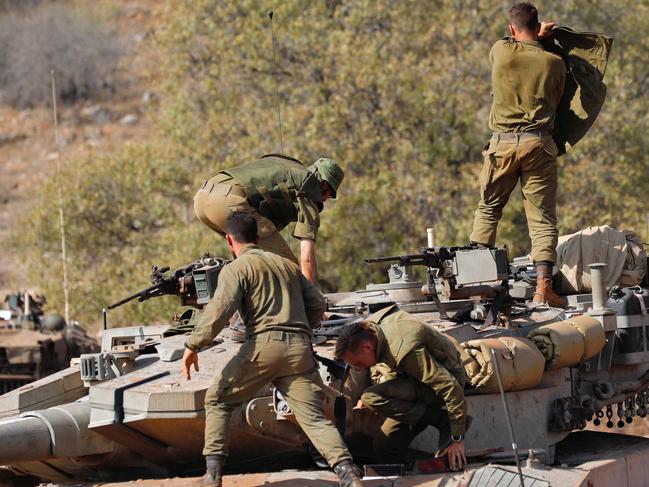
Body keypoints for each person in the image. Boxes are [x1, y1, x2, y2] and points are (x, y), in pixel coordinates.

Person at [181, 211, 362, 487]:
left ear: (229, 240)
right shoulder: (287, 265)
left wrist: (193, 344)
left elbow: (219, 311)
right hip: (299, 350)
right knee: (313, 419)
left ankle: (212, 476)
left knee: (217, 399)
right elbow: (317, 304)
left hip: (263, 347)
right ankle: (348, 474)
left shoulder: (236, 268)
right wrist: (303, 328)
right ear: (258, 237)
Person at [469, 2, 567, 307]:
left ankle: (477, 286)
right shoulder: (554, 63)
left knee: (488, 211)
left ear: (512, 29)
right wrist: (543, 39)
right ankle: (543, 289)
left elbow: (515, 41)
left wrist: (535, 34)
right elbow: (558, 99)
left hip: (502, 146)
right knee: (542, 220)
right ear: (537, 26)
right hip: (537, 145)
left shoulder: (501, 51)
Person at [334, 305, 468, 471]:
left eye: (358, 363)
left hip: (443, 381)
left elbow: (450, 386)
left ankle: (442, 420)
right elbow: (392, 365)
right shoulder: (371, 329)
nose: (360, 369)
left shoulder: (405, 349)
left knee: (370, 396)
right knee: (384, 445)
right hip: (412, 380)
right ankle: (410, 473)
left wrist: (457, 438)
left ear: (367, 347)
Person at [193, 154, 344, 285]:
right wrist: (312, 302)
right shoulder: (311, 187)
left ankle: (243, 309)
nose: (324, 201)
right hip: (229, 201)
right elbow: (307, 258)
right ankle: (301, 310)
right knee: (287, 267)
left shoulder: (290, 167)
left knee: (250, 262)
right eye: (329, 195)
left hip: (202, 199)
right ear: (324, 185)